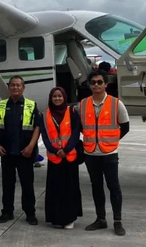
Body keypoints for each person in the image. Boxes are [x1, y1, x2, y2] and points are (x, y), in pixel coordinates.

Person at [77, 70, 129, 236]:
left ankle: (117, 221)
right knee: (96, 187)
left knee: (114, 186)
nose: (96, 85)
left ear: (106, 84)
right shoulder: (82, 104)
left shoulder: (116, 103)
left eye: (100, 82)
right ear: (89, 85)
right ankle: (101, 219)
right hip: (91, 153)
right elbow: (78, 126)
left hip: (109, 153)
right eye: (93, 82)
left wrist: (111, 140)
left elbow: (125, 126)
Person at [0, 76, 41, 225]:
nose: (15, 88)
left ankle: (30, 213)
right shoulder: (1, 105)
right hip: (6, 153)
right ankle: (7, 212)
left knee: (27, 185)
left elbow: (37, 127)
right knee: (7, 185)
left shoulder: (31, 105)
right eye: (12, 85)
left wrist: (31, 146)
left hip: (25, 153)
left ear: (23, 88)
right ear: (9, 87)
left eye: (18, 85)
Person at [41, 87, 83, 229]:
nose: (57, 99)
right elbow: (45, 136)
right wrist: (54, 150)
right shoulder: (45, 114)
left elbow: (76, 133)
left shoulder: (72, 112)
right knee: (55, 189)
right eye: (54, 96)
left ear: (64, 97)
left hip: (69, 157)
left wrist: (66, 149)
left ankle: (70, 218)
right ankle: (56, 218)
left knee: (70, 189)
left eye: (59, 96)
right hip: (54, 157)